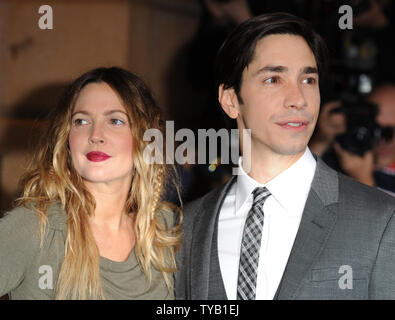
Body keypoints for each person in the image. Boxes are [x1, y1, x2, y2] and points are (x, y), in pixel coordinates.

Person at [175, 13, 395, 300]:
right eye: (273, 79)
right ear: (230, 100)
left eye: (308, 79)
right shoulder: (186, 227)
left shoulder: (380, 220)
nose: (298, 99)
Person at [0, 67, 181, 299]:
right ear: (67, 138)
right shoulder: (36, 228)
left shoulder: (166, 232)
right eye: (81, 121)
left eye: (115, 121)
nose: (95, 134)